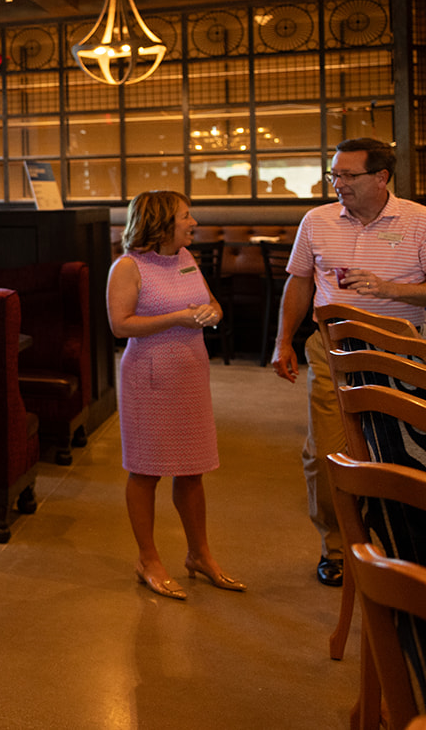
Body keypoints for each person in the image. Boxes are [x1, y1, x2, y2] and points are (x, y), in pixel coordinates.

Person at [272, 137, 426, 587]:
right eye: (333, 175)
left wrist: (391, 290)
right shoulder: (317, 221)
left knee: (401, 456)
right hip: (333, 350)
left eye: (348, 175)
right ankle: (338, 550)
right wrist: (283, 341)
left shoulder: (418, 221)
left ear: (381, 177)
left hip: (403, 352)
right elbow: (299, 283)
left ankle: (403, 547)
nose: (337, 184)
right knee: (327, 454)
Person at [108, 190, 240, 601]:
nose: (194, 222)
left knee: (193, 470)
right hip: (149, 379)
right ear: (163, 222)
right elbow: (120, 325)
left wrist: (213, 313)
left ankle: (199, 555)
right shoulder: (128, 267)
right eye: (186, 215)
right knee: (145, 471)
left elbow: (208, 302)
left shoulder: (185, 259)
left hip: (190, 377)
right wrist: (178, 318)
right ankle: (148, 559)